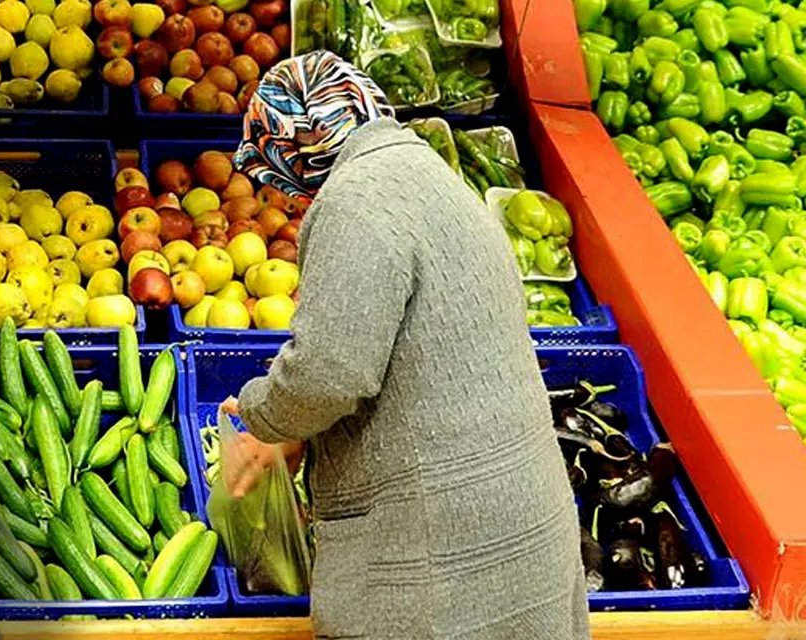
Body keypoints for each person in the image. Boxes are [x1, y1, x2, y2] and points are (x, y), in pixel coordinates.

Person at [218, 51, 591, 640]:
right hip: (525, 525)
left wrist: (263, 415)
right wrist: (297, 431)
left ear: (297, 147)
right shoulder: (433, 176)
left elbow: (327, 372)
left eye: (274, 171)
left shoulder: (353, 201)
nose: (285, 196)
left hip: (443, 551)